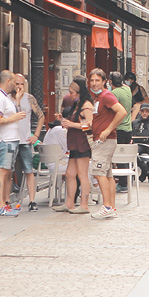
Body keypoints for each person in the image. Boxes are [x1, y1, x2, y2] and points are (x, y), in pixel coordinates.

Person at [86, 68, 127, 219]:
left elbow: (121, 112)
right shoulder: (98, 98)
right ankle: (112, 207)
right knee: (107, 174)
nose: (94, 83)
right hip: (102, 139)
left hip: (104, 140)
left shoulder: (106, 96)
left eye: (98, 80)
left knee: (98, 172)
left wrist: (108, 130)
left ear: (104, 82)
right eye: (92, 80)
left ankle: (107, 206)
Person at [0, 70, 28, 218]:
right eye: (13, 81)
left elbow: (10, 115)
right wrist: (15, 117)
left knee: (7, 172)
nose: (15, 84)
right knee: (2, 171)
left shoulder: (4, 98)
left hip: (10, 139)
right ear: (8, 81)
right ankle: (0, 206)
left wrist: (17, 102)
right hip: (5, 139)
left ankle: (4, 203)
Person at [58, 77, 94, 214]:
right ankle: (69, 203)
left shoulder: (86, 106)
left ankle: (84, 204)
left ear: (79, 93)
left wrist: (72, 124)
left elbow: (90, 125)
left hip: (82, 143)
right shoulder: (76, 104)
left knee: (82, 174)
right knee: (70, 173)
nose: (70, 95)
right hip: (73, 143)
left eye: (72, 92)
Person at [14, 73, 46, 212]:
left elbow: (41, 116)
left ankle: (32, 200)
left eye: (22, 84)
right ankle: (6, 201)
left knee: (29, 170)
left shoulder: (29, 98)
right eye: (17, 84)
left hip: (25, 140)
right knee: (8, 170)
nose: (19, 87)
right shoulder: (8, 99)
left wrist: (36, 135)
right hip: (11, 139)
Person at [110, 72, 134, 193]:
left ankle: (123, 183)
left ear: (110, 82)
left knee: (119, 157)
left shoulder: (113, 93)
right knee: (124, 156)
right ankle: (125, 182)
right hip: (128, 128)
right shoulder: (127, 89)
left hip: (119, 129)